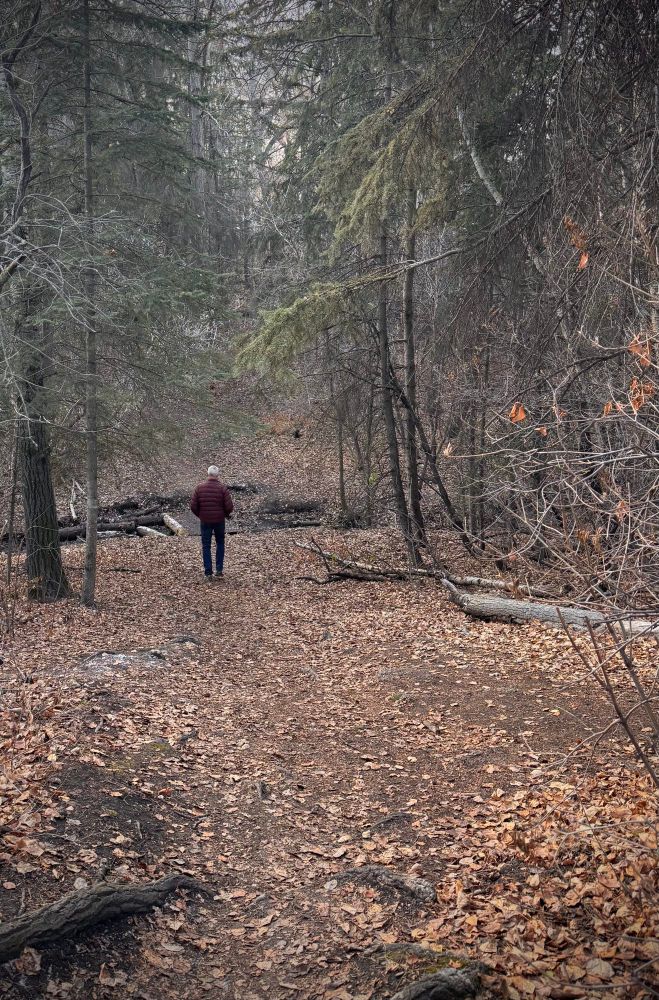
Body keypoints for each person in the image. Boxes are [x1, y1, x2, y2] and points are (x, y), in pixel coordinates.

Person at [190, 466, 234, 579]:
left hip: (205, 521)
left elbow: (193, 506)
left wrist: (200, 515)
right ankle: (219, 569)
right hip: (219, 520)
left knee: (206, 545)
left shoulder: (199, 488)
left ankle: (208, 572)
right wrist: (225, 514)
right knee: (220, 543)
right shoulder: (222, 488)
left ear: (208, 474)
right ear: (217, 475)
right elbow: (229, 506)